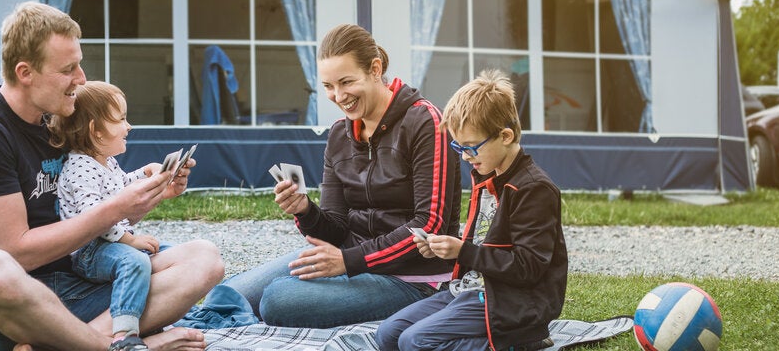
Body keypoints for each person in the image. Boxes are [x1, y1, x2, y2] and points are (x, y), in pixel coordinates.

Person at [0, 1, 224, 351]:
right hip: (13, 303)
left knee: (204, 258)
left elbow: (93, 212)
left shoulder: (55, 123)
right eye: (68, 69)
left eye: (80, 65)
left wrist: (151, 192)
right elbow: (18, 252)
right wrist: (116, 208)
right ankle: (120, 346)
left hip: (77, 283)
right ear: (25, 72)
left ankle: (73, 343)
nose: (81, 79)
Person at [224, 23, 463, 328]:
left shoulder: (424, 122)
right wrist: (305, 210)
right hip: (351, 261)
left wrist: (349, 262)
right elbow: (335, 228)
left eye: (346, 82)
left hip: (414, 280)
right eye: (328, 86)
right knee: (232, 293)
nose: (338, 96)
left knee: (276, 300)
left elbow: (429, 225)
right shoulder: (340, 134)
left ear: (375, 69)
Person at [374, 69, 568, 351]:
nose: (465, 156)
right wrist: (441, 248)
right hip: (470, 289)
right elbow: (482, 243)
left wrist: (462, 251)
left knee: (415, 342)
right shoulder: (486, 174)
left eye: (471, 147)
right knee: (388, 335)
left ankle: (520, 343)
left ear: (505, 135)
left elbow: (529, 268)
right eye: (459, 146)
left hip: (511, 301)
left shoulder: (534, 189)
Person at [48, 80, 169, 350]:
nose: (129, 127)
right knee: (135, 262)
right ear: (96, 131)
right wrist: (129, 240)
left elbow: (121, 187)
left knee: (162, 254)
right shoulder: (80, 166)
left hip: (107, 243)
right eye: (121, 119)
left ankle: (151, 318)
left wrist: (145, 175)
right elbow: (95, 215)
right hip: (89, 250)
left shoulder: (104, 161)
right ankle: (124, 334)